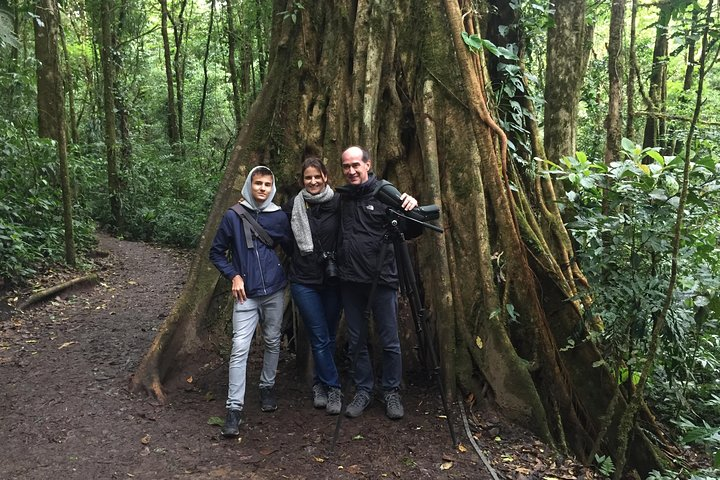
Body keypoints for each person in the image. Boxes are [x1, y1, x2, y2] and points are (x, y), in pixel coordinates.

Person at [336, 146, 417, 420]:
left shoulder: (386, 193)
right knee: (356, 339)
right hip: (350, 281)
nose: (351, 171)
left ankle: (391, 391)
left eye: (356, 165)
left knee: (389, 339)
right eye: (346, 166)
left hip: (382, 280)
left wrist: (411, 203)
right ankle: (364, 390)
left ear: (368, 164)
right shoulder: (342, 197)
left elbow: (412, 226)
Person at [209, 165, 291, 438]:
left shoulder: (278, 216)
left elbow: (292, 247)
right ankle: (234, 409)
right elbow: (217, 252)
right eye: (258, 183)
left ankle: (267, 387)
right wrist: (233, 275)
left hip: (275, 290)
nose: (262, 189)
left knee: (271, 339)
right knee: (239, 347)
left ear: (273, 187)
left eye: (267, 184)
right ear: (250, 184)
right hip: (246, 294)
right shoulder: (233, 215)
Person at [283, 157, 343, 415]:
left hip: (333, 279)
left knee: (328, 336)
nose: (313, 181)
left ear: (326, 177)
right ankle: (334, 388)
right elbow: (272, 225)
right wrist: (245, 207)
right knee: (319, 336)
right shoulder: (292, 207)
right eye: (308, 177)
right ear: (302, 180)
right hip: (303, 281)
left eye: (317, 176)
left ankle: (319, 383)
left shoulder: (339, 202)